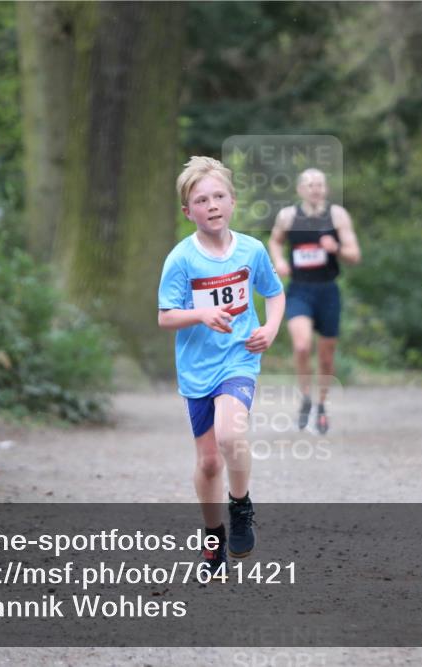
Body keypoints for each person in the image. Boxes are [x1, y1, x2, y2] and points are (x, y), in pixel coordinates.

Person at [158, 156, 286, 578]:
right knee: (209, 461)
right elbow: (165, 316)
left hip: (239, 358)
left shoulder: (251, 250)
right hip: (197, 368)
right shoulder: (181, 259)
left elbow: (274, 292)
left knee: (233, 433)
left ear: (232, 201)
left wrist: (269, 327)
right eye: (201, 200)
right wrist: (200, 316)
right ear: (187, 211)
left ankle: (242, 506)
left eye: (218, 196)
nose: (211, 205)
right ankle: (213, 536)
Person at [268, 168, 361, 434]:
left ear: (325, 188)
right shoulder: (288, 216)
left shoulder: (337, 216)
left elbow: (354, 254)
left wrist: (337, 249)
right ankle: (306, 397)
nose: (315, 188)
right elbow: (275, 242)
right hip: (299, 290)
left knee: (326, 356)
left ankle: (321, 405)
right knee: (301, 345)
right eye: (309, 184)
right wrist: (280, 260)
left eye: (319, 184)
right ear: (300, 190)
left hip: (327, 291)